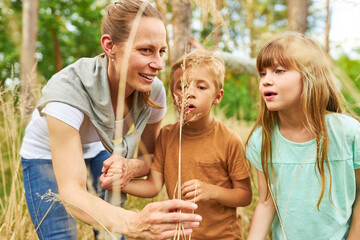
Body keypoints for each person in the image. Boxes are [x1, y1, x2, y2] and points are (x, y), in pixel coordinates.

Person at [20, 1, 201, 239]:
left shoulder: (153, 91)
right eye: (146, 50)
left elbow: (150, 157)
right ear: (110, 46)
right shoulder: (67, 92)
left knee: (112, 235)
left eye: (161, 51)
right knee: (60, 236)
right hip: (45, 153)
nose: (158, 64)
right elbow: (72, 192)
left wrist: (130, 166)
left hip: (98, 147)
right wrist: (135, 222)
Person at [102, 49, 253, 239]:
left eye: (201, 87)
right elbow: (153, 186)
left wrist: (211, 191)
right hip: (179, 235)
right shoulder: (167, 135)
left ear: (218, 96)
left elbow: (245, 195)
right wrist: (120, 183)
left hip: (223, 236)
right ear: (172, 94)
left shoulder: (229, 140)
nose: (189, 93)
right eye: (181, 86)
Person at [246, 32, 360, 240]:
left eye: (279, 71)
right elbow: (265, 202)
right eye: (263, 73)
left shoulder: (349, 133)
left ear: (310, 76)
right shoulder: (261, 140)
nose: (266, 81)